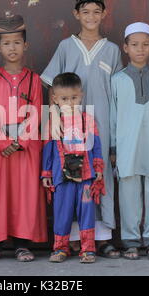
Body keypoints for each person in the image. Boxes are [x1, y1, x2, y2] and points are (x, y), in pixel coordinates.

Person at [41, 0, 123, 258]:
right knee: (71, 179)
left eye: (96, 12)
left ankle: (102, 236)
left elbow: (119, 91)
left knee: (100, 178)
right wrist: (53, 116)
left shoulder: (111, 51)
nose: (90, 17)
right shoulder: (66, 46)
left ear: (104, 14)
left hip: (102, 124)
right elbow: (52, 85)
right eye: (85, 12)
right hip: (71, 127)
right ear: (76, 14)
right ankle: (73, 237)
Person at [0, 15, 48, 262]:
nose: (12, 48)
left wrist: (21, 141)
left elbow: (37, 112)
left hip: (26, 147)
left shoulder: (34, 79)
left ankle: (22, 243)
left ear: (25, 45)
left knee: (24, 194)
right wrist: (4, 143)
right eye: (6, 43)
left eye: (17, 43)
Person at [110, 22, 149, 261]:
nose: (140, 49)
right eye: (134, 45)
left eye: (145, 45)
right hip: (127, 148)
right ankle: (130, 242)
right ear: (125, 47)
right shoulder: (117, 80)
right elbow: (113, 117)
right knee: (128, 195)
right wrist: (113, 148)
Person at [42, 73, 105, 264]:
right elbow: (48, 149)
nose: (69, 103)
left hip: (85, 175)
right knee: (62, 211)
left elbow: (97, 146)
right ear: (55, 99)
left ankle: (88, 249)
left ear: (81, 96)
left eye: (74, 98)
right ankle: (60, 248)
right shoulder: (52, 122)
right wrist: (46, 172)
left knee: (87, 211)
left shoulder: (88, 120)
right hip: (62, 175)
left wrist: (98, 167)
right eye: (64, 99)